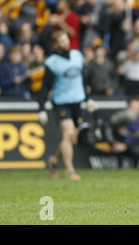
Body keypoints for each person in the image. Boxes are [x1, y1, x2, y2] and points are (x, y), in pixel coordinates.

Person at [37, 31, 97, 181]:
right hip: (61, 103)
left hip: (77, 102)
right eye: (62, 40)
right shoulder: (52, 62)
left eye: (66, 39)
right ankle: (70, 171)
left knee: (72, 138)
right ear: (56, 44)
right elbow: (45, 87)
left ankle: (54, 161)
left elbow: (82, 79)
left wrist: (88, 99)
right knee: (68, 133)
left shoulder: (77, 56)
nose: (66, 42)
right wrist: (41, 108)